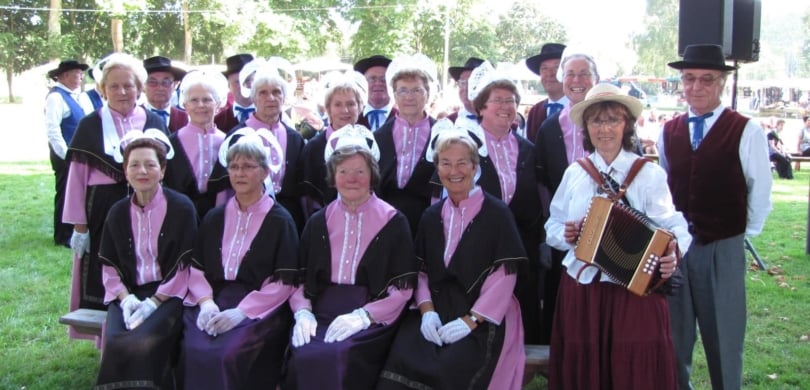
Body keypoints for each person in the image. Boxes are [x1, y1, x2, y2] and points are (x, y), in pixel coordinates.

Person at [545, 83, 689, 389]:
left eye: (613, 120)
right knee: (586, 371)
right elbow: (553, 225)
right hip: (583, 288)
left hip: (633, 294)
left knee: (632, 372)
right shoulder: (575, 173)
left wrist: (672, 252)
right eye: (596, 121)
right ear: (586, 128)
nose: (605, 128)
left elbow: (673, 224)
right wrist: (567, 235)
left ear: (627, 126)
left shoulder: (649, 174)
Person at [658, 44, 773, 390]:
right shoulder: (669, 130)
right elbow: (665, 188)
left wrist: (737, 233)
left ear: (721, 82)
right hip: (677, 248)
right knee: (674, 337)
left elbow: (759, 189)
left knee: (724, 337)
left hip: (722, 246)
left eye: (706, 79)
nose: (696, 87)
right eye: (689, 79)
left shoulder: (745, 130)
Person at [378, 131, 526, 390]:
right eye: (445, 163)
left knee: (452, 366)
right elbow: (421, 271)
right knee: (401, 356)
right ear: (437, 168)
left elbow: (505, 275)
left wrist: (470, 321)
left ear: (475, 167)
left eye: (462, 163)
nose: (454, 170)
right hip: (437, 309)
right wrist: (427, 313)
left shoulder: (497, 214)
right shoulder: (431, 215)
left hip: (484, 314)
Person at [284, 126, 417, 389]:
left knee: (338, 355)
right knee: (303, 355)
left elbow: (403, 288)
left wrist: (365, 316)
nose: (351, 178)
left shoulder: (394, 222)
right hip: (321, 311)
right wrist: (302, 312)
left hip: (372, 314)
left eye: (359, 171)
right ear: (333, 177)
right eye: (343, 171)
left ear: (372, 175)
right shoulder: (318, 221)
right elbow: (299, 277)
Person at [63, 53, 169, 336]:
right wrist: (79, 226)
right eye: (114, 86)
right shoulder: (90, 124)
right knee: (105, 271)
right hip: (102, 212)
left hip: (149, 209)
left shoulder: (154, 120)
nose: (122, 92)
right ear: (102, 89)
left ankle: (141, 331)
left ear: (139, 87)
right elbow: (76, 180)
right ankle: (105, 339)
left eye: (129, 85)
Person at [182, 135, 298, 389]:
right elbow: (197, 267)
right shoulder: (214, 217)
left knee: (227, 353)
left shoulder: (281, 221)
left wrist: (242, 312)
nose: (240, 173)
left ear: (265, 171)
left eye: (248, 166)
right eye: (234, 167)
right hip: (214, 298)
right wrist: (206, 303)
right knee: (194, 347)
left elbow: (284, 281)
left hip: (260, 307)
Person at [95, 134, 196, 388]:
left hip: (170, 295)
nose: (142, 171)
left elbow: (187, 266)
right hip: (129, 295)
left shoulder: (182, 208)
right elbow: (109, 265)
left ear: (162, 170)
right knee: (118, 340)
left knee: (141, 342)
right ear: (125, 171)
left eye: (150, 165)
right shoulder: (117, 212)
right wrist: (125, 298)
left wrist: (154, 302)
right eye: (135, 165)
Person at [464, 61, 545, 343]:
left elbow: (539, 197)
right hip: (479, 245)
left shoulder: (529, 149)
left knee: (522, 310)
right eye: (496, 100)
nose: (505, 106)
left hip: (522, 247)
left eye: (510, 101)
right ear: (481, 107)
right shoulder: (466, 145)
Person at [533, 47, 600, 344]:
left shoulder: (613, 121)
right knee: (563, 303)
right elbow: (542, 181)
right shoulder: (549, 128)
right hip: (564, 234)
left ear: (595, 79)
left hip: (607, 231)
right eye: (570, 74)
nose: (577, 80)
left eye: (584, 74)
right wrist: (551, 231)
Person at [229, 61, 306, 232]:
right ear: (254, 98)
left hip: (289, 216)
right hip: (247, 214)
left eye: (276, 92)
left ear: (284, 98)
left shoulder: (294, 138)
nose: (270, 98)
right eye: (263, 93)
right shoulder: (239, 135)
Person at [373, 54, 438, 236]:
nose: (409, 97)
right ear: (394, 95)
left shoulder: (442, 134)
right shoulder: (378, 137)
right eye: (403, 91)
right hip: (384, 220)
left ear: (427, 94)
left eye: (417, 90)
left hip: (428, 221)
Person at [299, 71, 368, 217]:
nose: (345, 110)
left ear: (360, 107)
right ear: (328, 109)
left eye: (351, 104)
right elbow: (308, 196)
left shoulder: (370, 144)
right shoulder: (313, 148)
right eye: (338, 104)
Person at [164, 70, 231, 219]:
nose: (200, 105)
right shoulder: (171, 143)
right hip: (180, 216)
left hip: (221, 217)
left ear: (218, 104)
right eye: (194, 100)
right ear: (185, 105)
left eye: (207, 100)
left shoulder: (228, 142)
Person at [44, 60, 91, 247]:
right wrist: (66, 155)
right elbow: (53, 130)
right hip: (65, 155)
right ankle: (62, 235)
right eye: (77, 74)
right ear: (64, 76)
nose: (80, 77)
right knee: (65, 193)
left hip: (76, 155)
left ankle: (71, 231)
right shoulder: (56, 97)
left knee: (75, 193)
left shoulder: (74, 96)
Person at [525, 43, 567, 142]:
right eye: (544, 68)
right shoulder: (535, 112)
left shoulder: (581, 109)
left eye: (556, 67)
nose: (550, 74)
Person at [142, 56, 188, 133]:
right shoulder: (136, 116)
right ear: (143, 86)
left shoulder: (183, 117)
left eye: (166, 82)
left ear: (174, 85)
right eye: (153, 82)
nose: (160, 88)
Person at [354, 55, 398, 131]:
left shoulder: (402, 118)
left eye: (383, 79)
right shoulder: (352, 117)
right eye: (372, 79)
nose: (378, 83)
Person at [214, 53, 255, 132]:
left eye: (248, 80)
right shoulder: (218, 121)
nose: (243, 86)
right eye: (237, 82)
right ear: (229, 85)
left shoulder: (271, 116)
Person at [445, 57, 485, 130]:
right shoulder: (448, 124)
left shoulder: (504, 123)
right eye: (462, 82)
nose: (466, 88)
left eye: (472, 83)